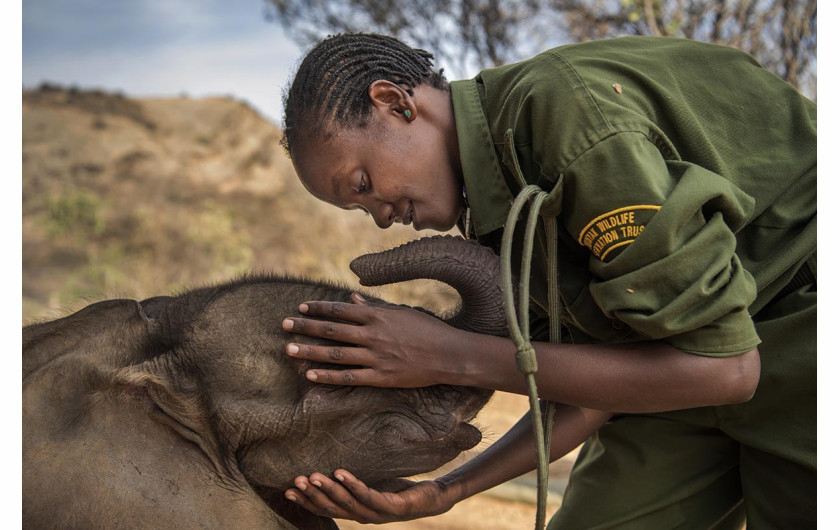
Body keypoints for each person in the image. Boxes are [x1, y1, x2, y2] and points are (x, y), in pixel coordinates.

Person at [278, 33, 816, 528]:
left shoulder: (564, 119)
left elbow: (726, 369)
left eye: (364, 183)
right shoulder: (497, 208)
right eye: (357, 207)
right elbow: (594, 379)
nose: (379, 216)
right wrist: (447, 490)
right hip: (685, 361)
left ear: (395, 103)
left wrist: (447, 354)